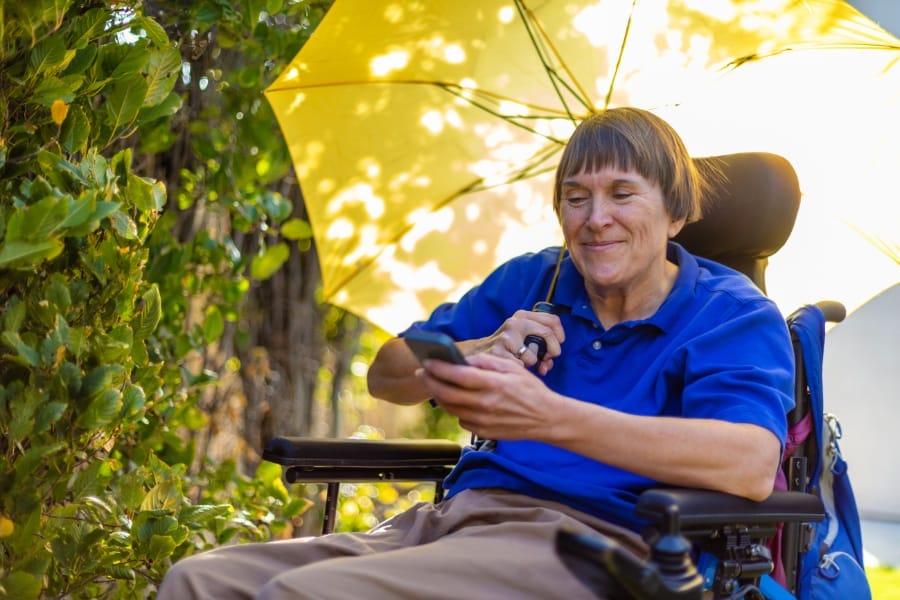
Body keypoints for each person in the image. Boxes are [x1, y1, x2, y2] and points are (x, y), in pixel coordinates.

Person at [157, 107, 794, 599]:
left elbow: (747, 464)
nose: (596, 218)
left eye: (622, 194)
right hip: (459, 519)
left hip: (597, 545)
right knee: (199, 583)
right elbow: (387, 374)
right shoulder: (535, 280)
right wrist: (479, 346)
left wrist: (546, 417)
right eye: (576, 197)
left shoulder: (729, 315)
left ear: (676, 212)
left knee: (300, 596)